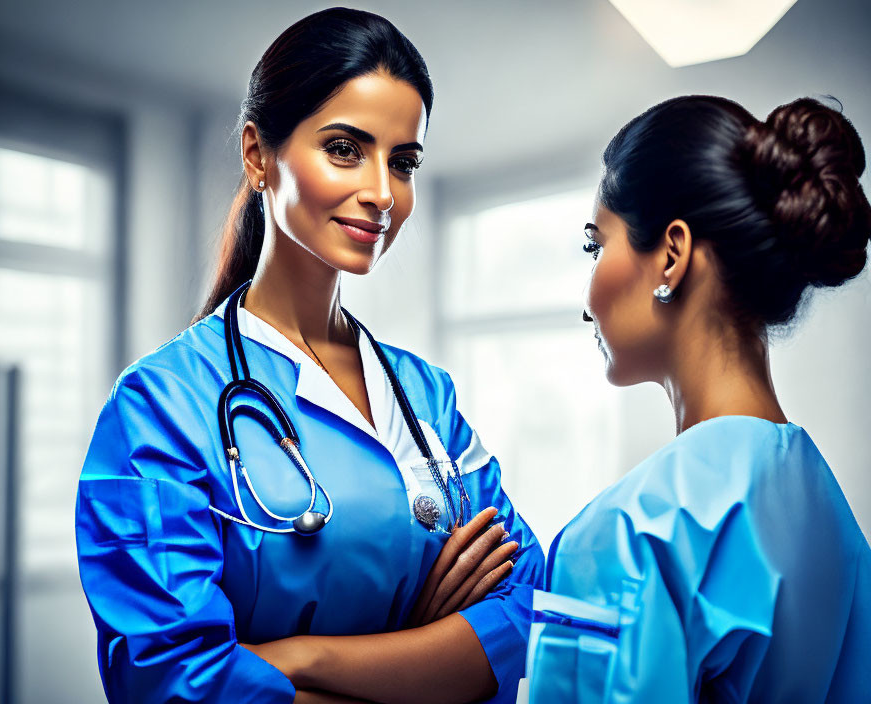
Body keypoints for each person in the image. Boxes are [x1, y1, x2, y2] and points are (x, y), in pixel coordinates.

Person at [75, 8, 543, 703]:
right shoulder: (161, 405)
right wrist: (422, 654)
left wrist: (298, 659)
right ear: (258, 154)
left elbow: (524, 603)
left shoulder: (425, 396)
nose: (384, 193)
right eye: (346, 149)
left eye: (403, 161)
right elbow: (176, 682)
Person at [526, 95, 871, 702]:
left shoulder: (634, 532)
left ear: (671, 255)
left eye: (595, 245)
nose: (587, 299)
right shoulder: (836, 523)